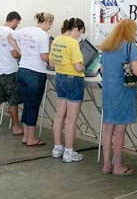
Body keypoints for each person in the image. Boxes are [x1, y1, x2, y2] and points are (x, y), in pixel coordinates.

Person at [98, 19, 137, 175]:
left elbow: (103, 70)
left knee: (108, 128)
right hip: (123, 92)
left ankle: (106, 165)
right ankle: (117, 166)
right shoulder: (130, 47)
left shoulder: (107, 47)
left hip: (108, 91)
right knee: (120, 130)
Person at [8, 12, 53, 146]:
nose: (50, 27)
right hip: (36, 73)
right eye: (50, 24)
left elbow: (9, 36)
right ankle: (31, 138)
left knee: (27, 105)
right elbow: (44, 56)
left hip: (22, 70)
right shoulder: (43, 35)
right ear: (46, 22)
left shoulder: (26, 30)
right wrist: (55, 60)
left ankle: (26, 137)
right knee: (33, 106)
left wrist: (20, 50)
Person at [49, 18, 87, 163]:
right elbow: (78, 66)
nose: (80, 36)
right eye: (81, 32)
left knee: (59, 115)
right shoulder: (73, 42)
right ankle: (69, 152)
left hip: (60, 78)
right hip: (74, 80)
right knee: (71, 118)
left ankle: (57, 148)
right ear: (76, 29)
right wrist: (84, 66)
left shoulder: (56, 40)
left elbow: (51, 63)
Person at [0, 12, 24, 135]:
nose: (17, 26)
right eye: (17, 23)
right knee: (12, 100)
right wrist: (21, 53)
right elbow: (15, 54)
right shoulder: (10, 33)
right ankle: (16, 127)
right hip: (9, 70)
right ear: (14, 20)